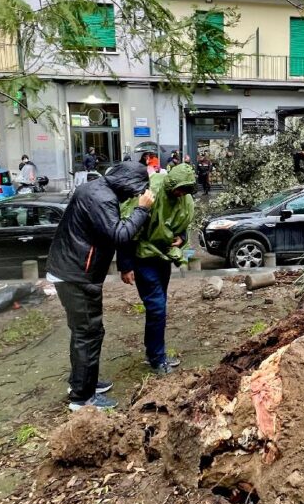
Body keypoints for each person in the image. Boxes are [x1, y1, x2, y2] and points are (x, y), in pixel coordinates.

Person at [46, 161, 155, 411]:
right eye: (135, 190)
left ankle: (83, 382)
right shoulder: (102, 199)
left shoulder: (95, 189)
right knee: (89, 333)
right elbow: (119, 234)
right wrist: (142, 210)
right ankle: (82, 399)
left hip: (70, 270)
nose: (134, 195)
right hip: (77, 275)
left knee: (84, 332)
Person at [118, 163, 197, 375]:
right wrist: (125, 265)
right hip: (143, 258)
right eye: (179, 189)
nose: (181, 194)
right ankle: (157, 358)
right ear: (170, 184)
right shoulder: (149, 194)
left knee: (158, 307)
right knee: (157, 307)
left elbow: (183, 228)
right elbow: (127, 228)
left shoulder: (185, 200)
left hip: (162, 258)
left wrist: (182, 239)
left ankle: (153, 351)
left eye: (186, 190)